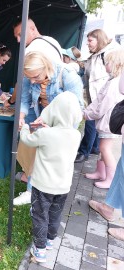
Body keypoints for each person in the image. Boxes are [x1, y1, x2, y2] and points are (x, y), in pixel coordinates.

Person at [4, 17, 63, 205]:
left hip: (38, 106)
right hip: (51, 105)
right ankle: (30, 179)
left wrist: (11, 101)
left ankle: (32, 189)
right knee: (39, 146)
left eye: (20, 35)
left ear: (32, 28)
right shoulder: (53, 41)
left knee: (33, 146)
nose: (19, 41)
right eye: (16, 37)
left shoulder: (31, 50)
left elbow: (22, 85)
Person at [13, 51, 84, 206]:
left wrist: (56, 131)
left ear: (46, 67)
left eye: (36, 77)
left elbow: (77, 109)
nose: (31, 81)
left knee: (52, 158)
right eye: (28, 77)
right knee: (32, 148)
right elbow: (24, 100)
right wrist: (21, 117)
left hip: (62, 124)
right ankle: (31, 189)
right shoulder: (30, 75)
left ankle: (48, 193)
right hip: (41, 117)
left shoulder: (67, 75)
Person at [20, 91, 82, 262]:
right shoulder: (76, 135)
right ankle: (49, 241)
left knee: (40, 214)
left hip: (42, 185)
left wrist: (28, 126)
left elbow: (27, 139)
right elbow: (58, 137)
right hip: (63, 186)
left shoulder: (45, 134)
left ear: (54, 111)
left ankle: (39, 250)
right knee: (55, 214)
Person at [88, 70, 124, 241]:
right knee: (121, 171)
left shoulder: (116, 79)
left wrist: (87, 113)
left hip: (111, 124)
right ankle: (108, 206)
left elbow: (121, 88)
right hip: (115, 126)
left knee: (108, 152)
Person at [75, 29, 120, 163]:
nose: (87, 43)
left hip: (101, 97)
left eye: (90, 40)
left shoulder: (108, 54)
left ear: (99, 39)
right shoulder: (97, 54)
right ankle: (93, 148)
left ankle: (83, 152)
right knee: (94, 125)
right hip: (95, 96)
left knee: (90, 123)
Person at [83, 49, 124, 189]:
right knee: (102, 148)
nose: (105, 66)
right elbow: (98, 100)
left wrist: (88, 114)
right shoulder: (111, 80)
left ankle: (110, 179)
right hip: (107, 122)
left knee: (104, 148)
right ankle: (101, 172)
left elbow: (102, 106)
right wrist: (87, 110)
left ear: (115, 64)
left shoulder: (114, 83)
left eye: (107, 63)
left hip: (110, 123)